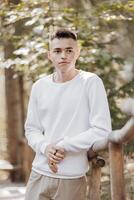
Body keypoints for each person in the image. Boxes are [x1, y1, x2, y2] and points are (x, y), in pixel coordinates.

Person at [24, 28, 111, 200]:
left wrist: (65, 145)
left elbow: (102, 129)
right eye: (57, 51)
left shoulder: (91, 82)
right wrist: (46, 147)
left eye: (69, 50)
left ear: (77, 53)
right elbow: (31, 129)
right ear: (50, 55)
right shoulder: (39, 86)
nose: (63, 55)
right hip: (39, 173)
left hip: (71, 177)